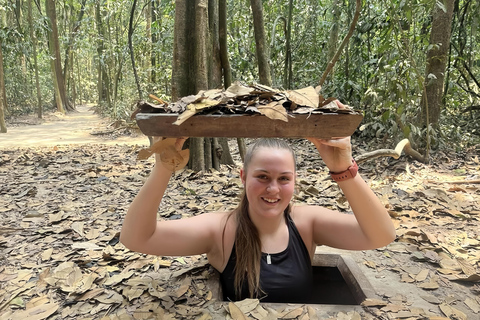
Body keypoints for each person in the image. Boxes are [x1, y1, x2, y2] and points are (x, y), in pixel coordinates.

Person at [120, 102, 396, 303]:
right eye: (262, 176)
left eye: (284, 179)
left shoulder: (306, 222)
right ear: (243, 176)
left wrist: (343, 169)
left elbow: (381, 235)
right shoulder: (221, 229)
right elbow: (137, 238)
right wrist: (163, 166)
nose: (273, 189)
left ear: (295, 181)